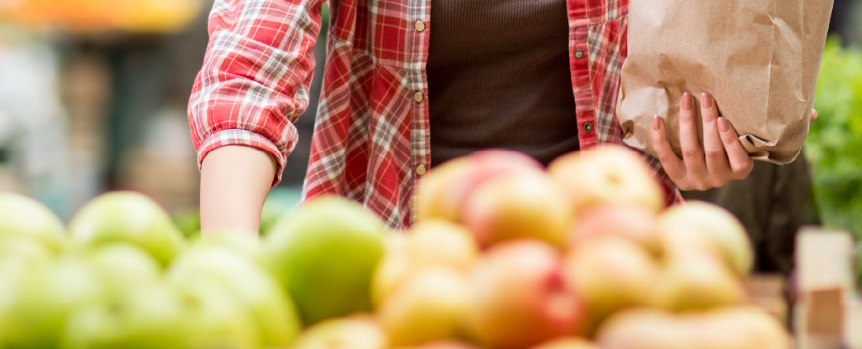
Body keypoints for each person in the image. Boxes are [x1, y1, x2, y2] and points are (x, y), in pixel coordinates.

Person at [188, 0, 792, 233]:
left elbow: (701, 49)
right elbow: (251, 67)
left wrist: (693, 142)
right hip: (400, 272)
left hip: (608, 267)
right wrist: (228, 261)